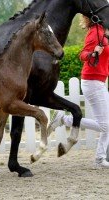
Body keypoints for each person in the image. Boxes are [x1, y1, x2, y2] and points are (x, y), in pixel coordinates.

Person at [47, 15, 109, 168]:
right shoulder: (95, 32)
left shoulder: (103, 31)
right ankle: (65, 119)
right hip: (93, 82)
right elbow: (82, 54)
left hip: (99, 81)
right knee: (105, 126)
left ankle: (100, 159)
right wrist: (93, 53)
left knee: (107, 124)